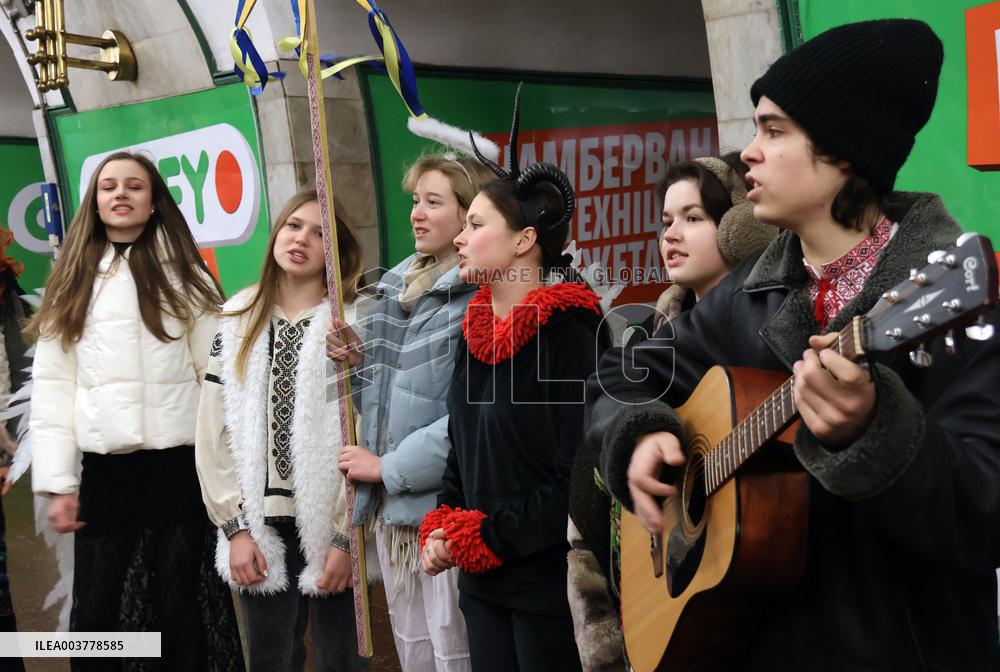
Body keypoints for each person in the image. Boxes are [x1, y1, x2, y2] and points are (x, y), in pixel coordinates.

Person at [587, 19, 1000, 670]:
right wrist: (638, 433)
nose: (748, 152)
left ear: (843, 152)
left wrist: (875, 430)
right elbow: (621, 374)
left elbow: (985, 514)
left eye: (774, 130)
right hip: (745, 641)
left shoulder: (948, 296)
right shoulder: (752, 290)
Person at [27, 151, 240, 670]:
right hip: (107, 473)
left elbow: (216, 386)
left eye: (134, 186)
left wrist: (230, 485)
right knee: (95, 615)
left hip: (177, 469)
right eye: (108, 187)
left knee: (180, 608)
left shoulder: (190, 278)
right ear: (95, 204)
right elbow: (53, 390)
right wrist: (59, 484)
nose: (120, 194)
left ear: (153, 202)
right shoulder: (71, 281)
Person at [418, 86, 604, 672]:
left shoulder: (570, 331)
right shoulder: (473, 327)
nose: (459, 237)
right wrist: (445, 524)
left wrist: (491, 536)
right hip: (479, 583)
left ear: (524, 240)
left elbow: (578, 478)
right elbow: (461, 447)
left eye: (474, 224)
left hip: (549, 586)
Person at [566, 153, 776, 672]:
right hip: (653, 594)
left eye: (693, 217)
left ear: (739, 230)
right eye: (666, 221)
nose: (671, 235)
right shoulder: (646, 339)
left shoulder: (767, 329)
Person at [327, 153, 494, 672]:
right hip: (394, 520)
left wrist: (387, 468)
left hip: (443, 519)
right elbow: (387, 408)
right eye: (415, 201)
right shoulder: (393, 289)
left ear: (470, 214)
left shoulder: (482, 297)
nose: (417, 214)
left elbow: (468, 418)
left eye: (434, 202)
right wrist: (358, 364)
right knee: (415, 655)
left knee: (455, 656)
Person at [196, 189, 367, 672]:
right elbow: (212, 434)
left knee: (343, 660)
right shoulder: (236, 316)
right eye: (294, 225)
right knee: (271, 660)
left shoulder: (355, 322)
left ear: (339, 251)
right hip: (256, 523)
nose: (302, 239)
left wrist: (345, 537)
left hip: (331, 522)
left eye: (319, 234)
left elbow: (366, 432)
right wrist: (234, 529)